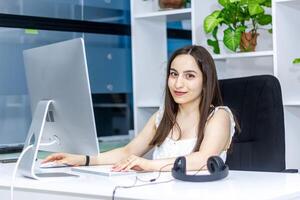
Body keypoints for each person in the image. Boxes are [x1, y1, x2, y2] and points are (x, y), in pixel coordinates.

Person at [42, 45, 237, 172]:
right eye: (173, 74)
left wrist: (149, 165)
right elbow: (128, 151)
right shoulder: (162, 117)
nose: (178, 84)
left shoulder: (218, 117)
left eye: (190, 76)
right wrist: (83, 160)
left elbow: (203, 159)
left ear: (205, 81)